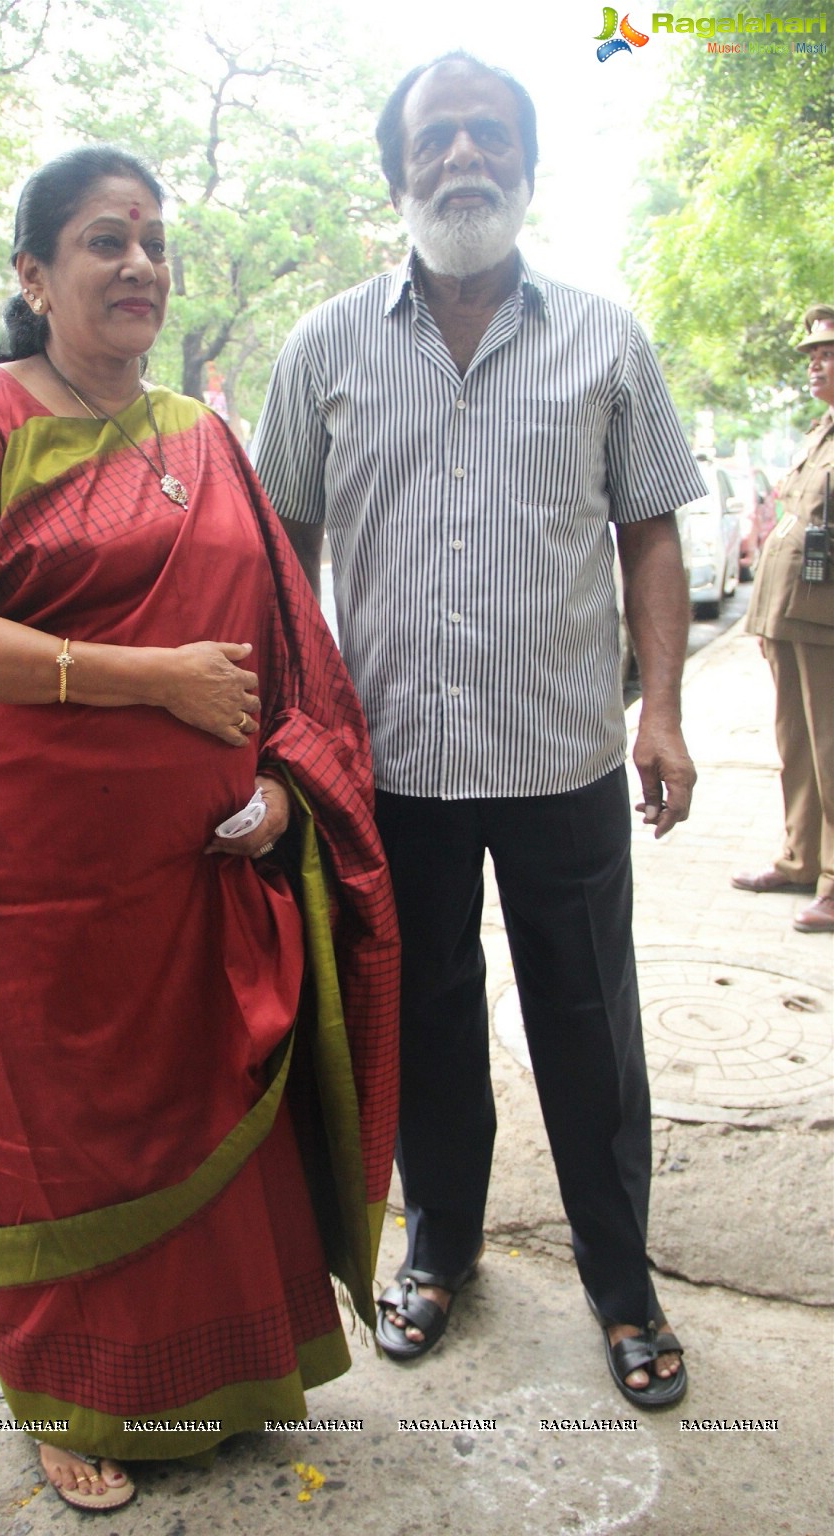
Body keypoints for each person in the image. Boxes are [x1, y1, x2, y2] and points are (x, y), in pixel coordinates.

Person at [0, 146, 399, 1511]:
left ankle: (219, 1379)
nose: (140, 266)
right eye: (105, 241)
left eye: (154, 242)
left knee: (205, 1104)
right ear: (33, 274)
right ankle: (72, 1404)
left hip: (196, 871)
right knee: (62, 1135)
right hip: (30, 878)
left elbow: (284, 654)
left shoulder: (201, 435)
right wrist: (152, 679)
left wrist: (284, 783)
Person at [253, 52, 707, 1409]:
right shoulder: (325, 346)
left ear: (525, 164)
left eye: (488, 134)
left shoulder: (605, 337)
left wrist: (666, 713)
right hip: (393, 771)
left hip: (565, 754)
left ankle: (620, 1278)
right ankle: (440, 1243)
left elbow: (652, 532)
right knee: (429, 1020)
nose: (463, 157)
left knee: (589, 1022)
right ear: (397, 172)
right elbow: (278, 540)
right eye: (436, 137)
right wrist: (291, 725)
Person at [733, 307, 834, 933]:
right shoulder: (818, 433)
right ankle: (802, 858)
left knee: (832, 748)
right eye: (813, 357)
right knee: (795, 743)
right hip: (793, 613)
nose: (816, 365)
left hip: (826, 618)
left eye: (827, 354)